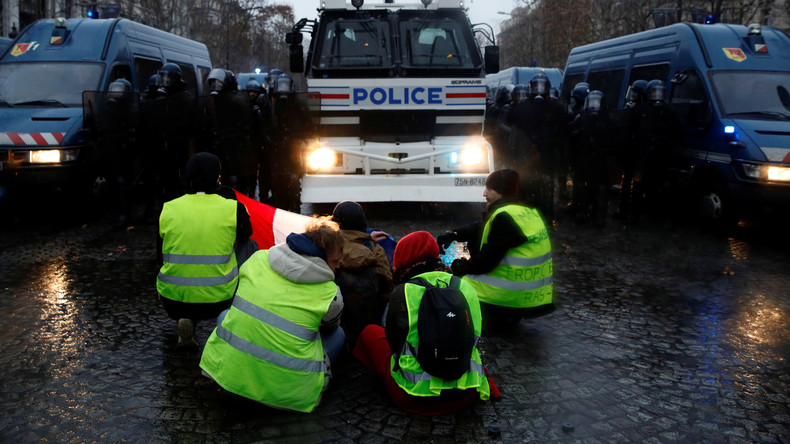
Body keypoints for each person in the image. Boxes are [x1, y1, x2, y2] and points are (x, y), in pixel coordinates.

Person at [199, 217, 346, 413]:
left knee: (226, 315)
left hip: (230, 381)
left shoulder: (258, 259)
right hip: (288, 396)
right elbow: (329, 327)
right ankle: (316, 381)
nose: (338, 267)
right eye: (335, 261)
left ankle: (232, 367)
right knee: (338, 335)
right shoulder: (330, 293)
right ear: (321, 256)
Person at [352, 231, 494, 415]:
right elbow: (474, 338)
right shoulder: (464, 286)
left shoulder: (403, 292)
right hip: (466, 394)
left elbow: (394, 343)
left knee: (370, 333)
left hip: (414, 397)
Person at [156, 152, 254, 347]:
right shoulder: (233, 208)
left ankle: (184, 319)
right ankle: (231, 317)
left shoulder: (168, 208)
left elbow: (160, 257)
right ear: (217, 177)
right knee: (250, 245)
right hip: (219, 299)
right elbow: (246, 235)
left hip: (174, 301)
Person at [436, 169, 554, 331]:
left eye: (488, 188)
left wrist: (459, 268)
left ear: (499, 190)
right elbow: (483, 228)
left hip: (507, 297)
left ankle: (492, 316)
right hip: (531, 296)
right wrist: (455, 234)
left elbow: (485, 262)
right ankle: (506, 316)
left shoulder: (504, 216)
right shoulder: (522, 211)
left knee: (458, 284)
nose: (484, 193)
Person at [331, 201, 394, 346]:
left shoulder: (326, 249)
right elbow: (387, 288)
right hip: (368, 325)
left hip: (335, 324)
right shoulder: (376, 251)